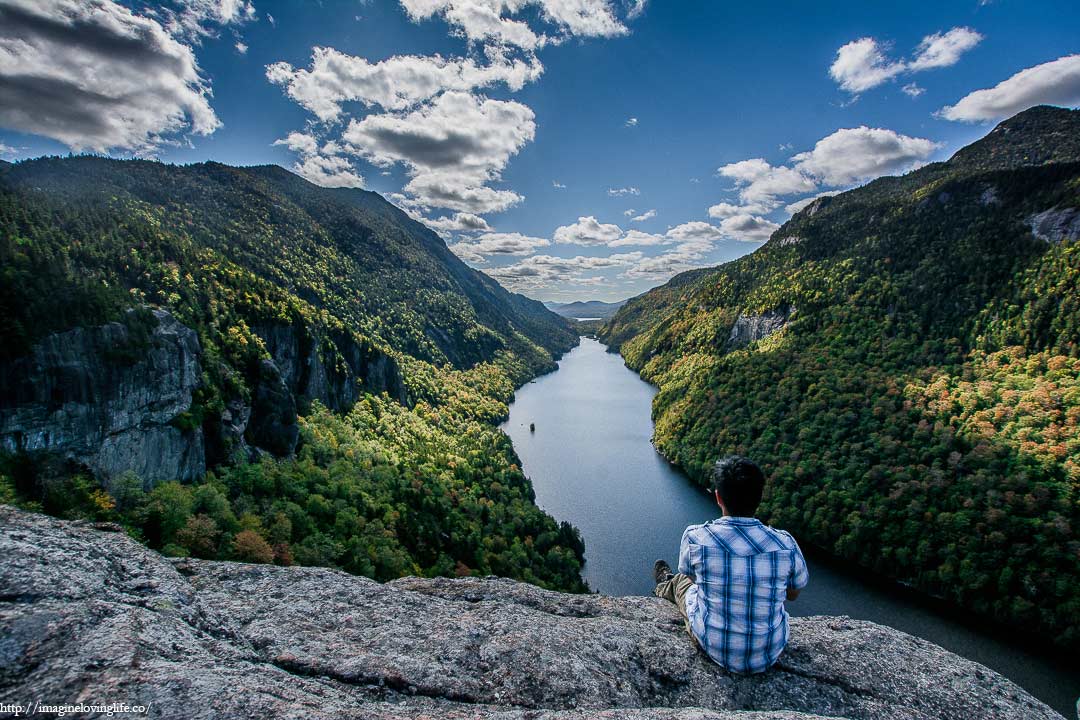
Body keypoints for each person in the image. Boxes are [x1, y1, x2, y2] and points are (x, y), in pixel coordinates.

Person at [653, 455, 809, 674]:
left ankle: (663, 586)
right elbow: (792, 594)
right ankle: (666, 583)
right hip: (768, 652)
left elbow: (692, 578)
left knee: (682, 582)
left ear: (718, 497)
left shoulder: (696, 537)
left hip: (714, 646)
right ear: (760, 497)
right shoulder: (785, 544)